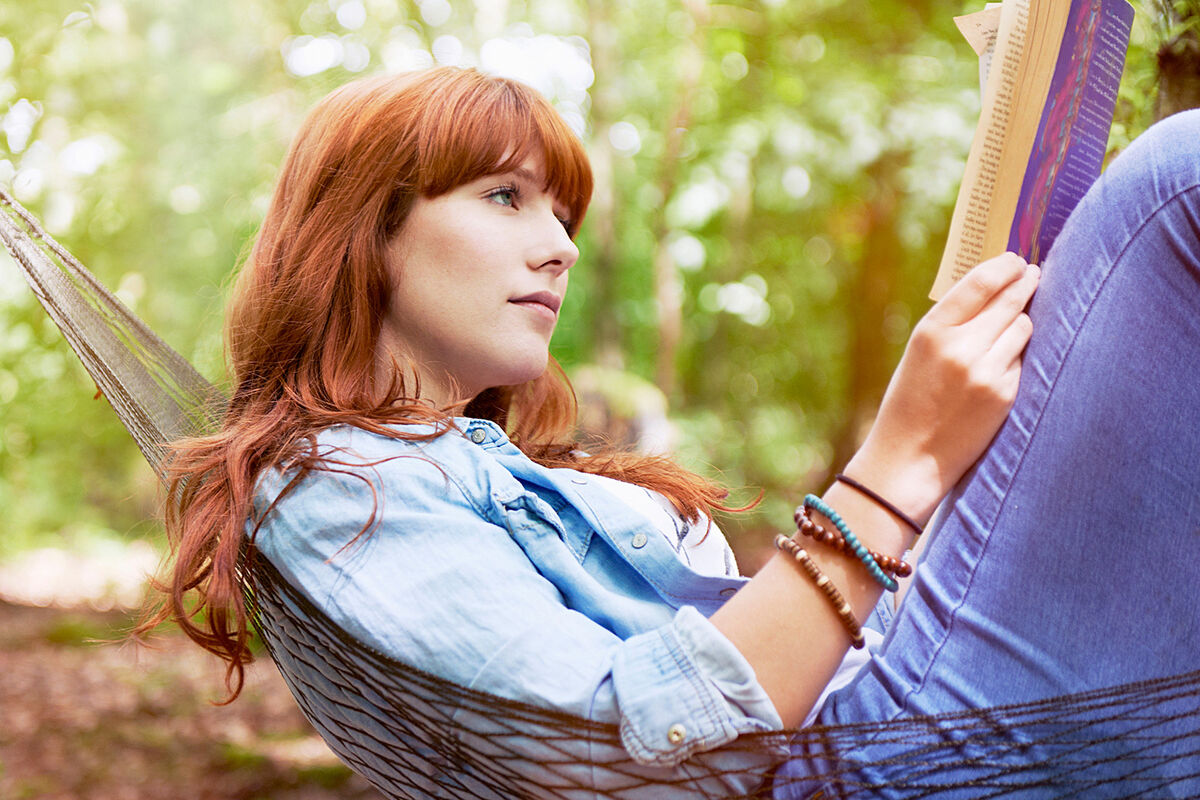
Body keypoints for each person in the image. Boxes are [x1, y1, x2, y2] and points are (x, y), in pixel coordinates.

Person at [144, 66, 1200, 797]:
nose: (558, 245)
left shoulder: (509, 471)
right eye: (504, 196)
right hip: (855, 764)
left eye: (562, 212)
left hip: (888, 706)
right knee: (1173, 186)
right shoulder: (329, 487)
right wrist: (897, 462)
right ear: (362, 233)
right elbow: (651, 760)